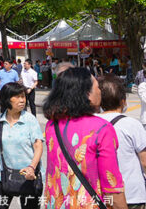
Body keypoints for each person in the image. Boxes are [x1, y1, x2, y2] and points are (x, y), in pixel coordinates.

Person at [42, 68, 128, 209]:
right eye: (97, 87)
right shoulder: (102, 128)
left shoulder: (52, 124)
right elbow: (112, 187)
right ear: (87, 94)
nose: (100, 91)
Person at [96, 75, 146, 208]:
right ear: (123, 101)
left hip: (101, 196)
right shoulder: (132, 124)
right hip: (131, 195)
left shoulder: (92, 123)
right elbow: (145, 161)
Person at [0, 83, 43, 209]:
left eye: (23, 96)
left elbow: (38, 145)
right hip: (5, 174)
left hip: (28, 176)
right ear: (7, 99)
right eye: (18, 97)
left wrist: (32, 167)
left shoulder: (30, 120)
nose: (22, 100)